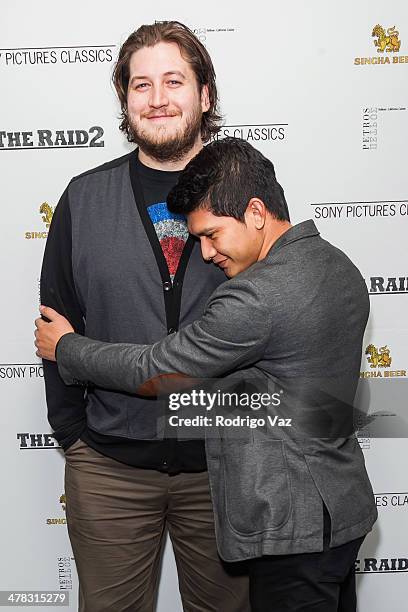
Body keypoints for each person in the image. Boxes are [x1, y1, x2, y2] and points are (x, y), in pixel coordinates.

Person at [36, 137, 377, 612]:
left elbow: (155, 368)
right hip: (340, 512)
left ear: (256, 212)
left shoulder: (256, 297)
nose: (206, 252)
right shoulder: (336, 264)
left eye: (212, 234)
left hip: (290, 525)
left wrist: (67, 348)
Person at [39, 22, 249, 612]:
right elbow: (56, 325)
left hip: (223, 469)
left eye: (174, 81)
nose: (157, 98)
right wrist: (75, 437)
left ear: (205, 95)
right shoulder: (83, 197)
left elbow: (275, 320)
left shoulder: (247, 190)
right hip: (109, 468)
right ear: (125, 100)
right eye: (141, 84)